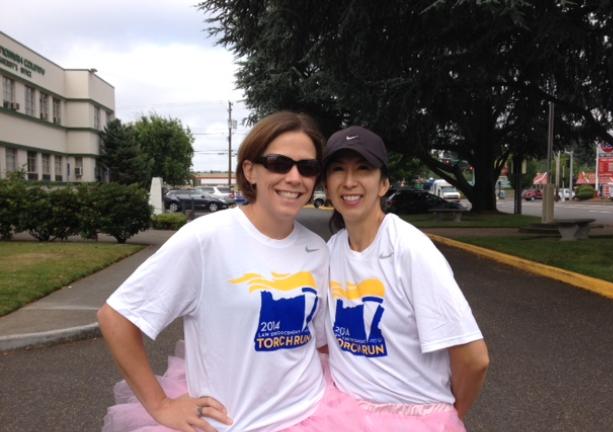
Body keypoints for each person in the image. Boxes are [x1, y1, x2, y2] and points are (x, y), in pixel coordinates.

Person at [98, 111, 332, 432]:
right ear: (250, 170)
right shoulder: (205, 238)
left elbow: (317, 341)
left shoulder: (318, 249)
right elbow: (117, 318)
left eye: (307, 167)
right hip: (230, 425)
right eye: (279, 163)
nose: (294, 177)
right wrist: (160, 405)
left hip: (312, 416)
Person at [322, 126, 489, 431]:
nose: (349, 181)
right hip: (342, 415)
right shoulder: (331, 252)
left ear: (384, 184)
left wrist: (446, 418)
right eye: (337, 170)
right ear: (327, 184)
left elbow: (474, 358)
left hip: (413, 419)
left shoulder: (410, 250)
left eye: (363, 169)